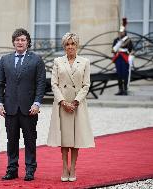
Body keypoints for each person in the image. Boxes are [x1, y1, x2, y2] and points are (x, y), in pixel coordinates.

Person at [0, 28, 46, 181]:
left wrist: (37, 103)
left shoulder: (36, 60)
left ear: (27, 42)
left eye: (23, 40)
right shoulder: (5, 60)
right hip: (10, 108)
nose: (20, 42)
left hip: (29, 108)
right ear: (13, 42)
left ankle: (30, 169)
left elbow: (41, 83)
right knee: (12, 140)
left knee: (30, 140)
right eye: (17, 40)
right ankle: (12, 169)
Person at [47, 32, 95, 182]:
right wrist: (62, 101)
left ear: (77, 45)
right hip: (62, 104)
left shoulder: (85, 62)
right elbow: (53, 84)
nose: (70, 47)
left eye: (73, 44)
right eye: (67, 44)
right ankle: (64, 166)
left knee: (75, 137)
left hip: (77, 104)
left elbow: (86, 85)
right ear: (64, 46)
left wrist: (75, 102)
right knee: (64, 137)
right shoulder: (57, 61)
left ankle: (73, 167)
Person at [112, 25, 133, 95]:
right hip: (118, 58)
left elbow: (131, 50)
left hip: (125, 58)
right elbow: (113, 50)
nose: (121, 33)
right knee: (119, 75)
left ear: (124, 32)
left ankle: (125, 90)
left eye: (122, 32)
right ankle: (120, 90)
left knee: (125, 74)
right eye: (120, 32)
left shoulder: (128, 40)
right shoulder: (116, 40)